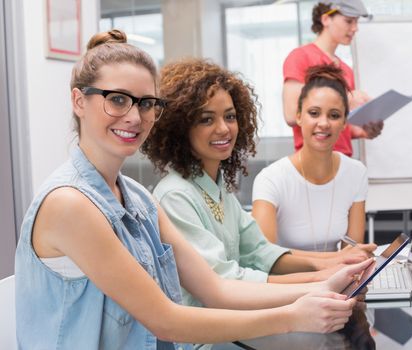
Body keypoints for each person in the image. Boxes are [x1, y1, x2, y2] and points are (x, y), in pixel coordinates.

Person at [14, 30, 374, 349]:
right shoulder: (70, 204)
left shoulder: (139, 198)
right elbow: (165, 320)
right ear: (79, 101)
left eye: (146, 103)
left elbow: (215, 288)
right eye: (118, 99)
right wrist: (296, 314)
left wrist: (325, 285)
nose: (135, 117)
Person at [141, 59, 374, 310]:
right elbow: (225, 281)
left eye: (230, 117)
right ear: (181, 127)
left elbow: (261, 253)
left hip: (236, 323)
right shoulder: (176, 196)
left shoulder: (217, 188)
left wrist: (331, 263)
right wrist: (320, 280)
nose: (223, 128)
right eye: (206, 120)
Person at [252, 64, 368, 252]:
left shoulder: (356, 173)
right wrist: (335, 262)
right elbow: (264, 258)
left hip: (338, 278)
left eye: (334, 115)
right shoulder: (271, 179)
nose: (323, 123)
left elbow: (353, 252)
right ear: (298, 116)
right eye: (314, 113)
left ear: (344, 122)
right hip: (287, 281)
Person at [282, 0, 383, 157]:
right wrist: (346, 98)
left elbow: (336, 125)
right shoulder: (300, 57)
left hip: (343, 161)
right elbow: (291, 114)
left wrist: (360, 131)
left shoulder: (346, 70)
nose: (355, 28)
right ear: (326, 19)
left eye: (356, 22)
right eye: (349, 21)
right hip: (312, 163)